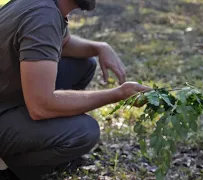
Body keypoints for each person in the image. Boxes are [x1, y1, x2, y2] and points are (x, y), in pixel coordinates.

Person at [0, 0, 151, 179]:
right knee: (84, 131)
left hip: (8, 98)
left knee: (84, 64)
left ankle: (37, 136)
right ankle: (12, 168)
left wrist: (100, 47)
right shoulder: (43, 17)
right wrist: (117, 94)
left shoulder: (46, 6)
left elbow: (64, 44)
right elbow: (41, 106)